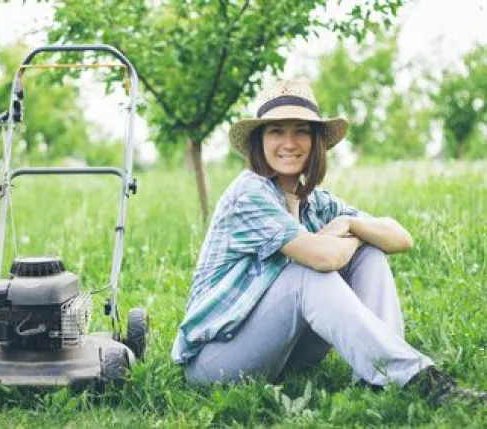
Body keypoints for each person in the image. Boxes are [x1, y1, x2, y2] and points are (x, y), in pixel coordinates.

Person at [170, 79, 485, 405]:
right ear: (259, 141)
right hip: (215, 359)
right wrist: (347, 239)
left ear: (315, 141)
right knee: (304, 273)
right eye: (276, 130)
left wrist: (348, 225)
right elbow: (321, 259)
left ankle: (375, 382)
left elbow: (400, 238)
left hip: (279, 352)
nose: (289, 142)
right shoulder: (249, 193)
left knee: (371, 254)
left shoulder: (315, 201)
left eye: (301, 131)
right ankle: (414, 378)